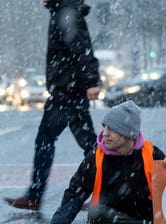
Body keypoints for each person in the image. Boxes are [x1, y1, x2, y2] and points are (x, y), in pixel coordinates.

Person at [28, 101, 166, 224]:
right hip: (113, 220)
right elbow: (73, 196)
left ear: (128, 134)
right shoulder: (95, 157)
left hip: (146, 220)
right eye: (104, 127)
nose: (105, 133)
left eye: (112, 129)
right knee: (95, 213)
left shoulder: (151, 153)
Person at [5, 0, 102, 211]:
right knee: (88, 144)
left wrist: (92, 81)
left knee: (47, 141)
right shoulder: (63, 11)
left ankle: (35, 195)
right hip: (67, 89)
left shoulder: (66, 13)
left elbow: (82, 48)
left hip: (67, 91)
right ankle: (107, 190)